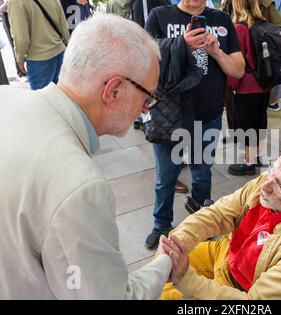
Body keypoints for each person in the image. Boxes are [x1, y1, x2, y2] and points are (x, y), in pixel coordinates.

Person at [0, 14, 181, 299]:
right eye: (147, 97)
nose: (147, 109)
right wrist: (163, 263)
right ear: (113, 90)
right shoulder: (80, 188)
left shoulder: (5, 99)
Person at [158, 143, 281, 300]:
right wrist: (176, 244)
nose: (264, 187)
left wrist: (185, 279)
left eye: (279, 187)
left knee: (167, 290)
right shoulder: (269, 182)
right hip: (225, 253)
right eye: (271, 170)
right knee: (162, 264)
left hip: (240, 288)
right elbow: (219, 213)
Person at [143, 0, 244, 250]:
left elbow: (238, 70)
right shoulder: (160, 15)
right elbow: (144, 57)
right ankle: (161, 224)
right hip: (170, 115)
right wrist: (181, 43)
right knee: (165, 178)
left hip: (207, 114)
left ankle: (200, 222)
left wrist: (215, 51)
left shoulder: (220, 19)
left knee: (201, 175)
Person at [227, 0, 271, 176]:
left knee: (246, 125)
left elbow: (237, 62)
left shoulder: (239, 28)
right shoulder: (265, 24)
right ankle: (259, 156)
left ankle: (249, 162)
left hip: (246, 85)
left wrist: (231, 85)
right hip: (264, 84)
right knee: (260, 121)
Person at [8, 0, 70, 90]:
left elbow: (21, 38)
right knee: (62, 97)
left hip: (39, 60)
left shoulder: (15, 2)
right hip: (60, 52)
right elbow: (63, 25)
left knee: (44, 101)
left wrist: (20, 59)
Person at [0, 0, 25, 78]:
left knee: (22, 39)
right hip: (6, 14)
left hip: (20, 8)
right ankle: (21, 72)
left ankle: (24, 69)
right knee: (14, 43)